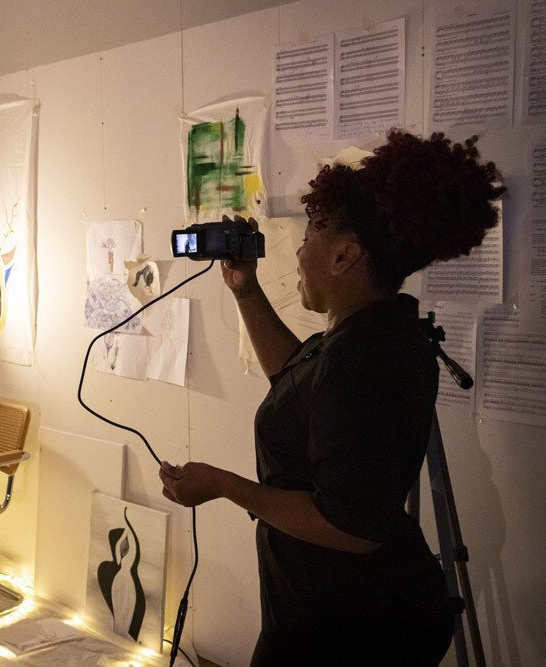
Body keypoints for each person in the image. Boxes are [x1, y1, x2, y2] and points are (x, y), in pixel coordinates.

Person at [159, 130, 505, 665]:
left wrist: (225, 485)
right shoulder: (373, 330)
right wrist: (245, 289)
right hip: (355, 606)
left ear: (345, 255)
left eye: (312, 233)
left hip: (346, 626)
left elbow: (350, 527)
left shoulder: (362, 360)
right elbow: (296, 378)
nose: (299, 251)